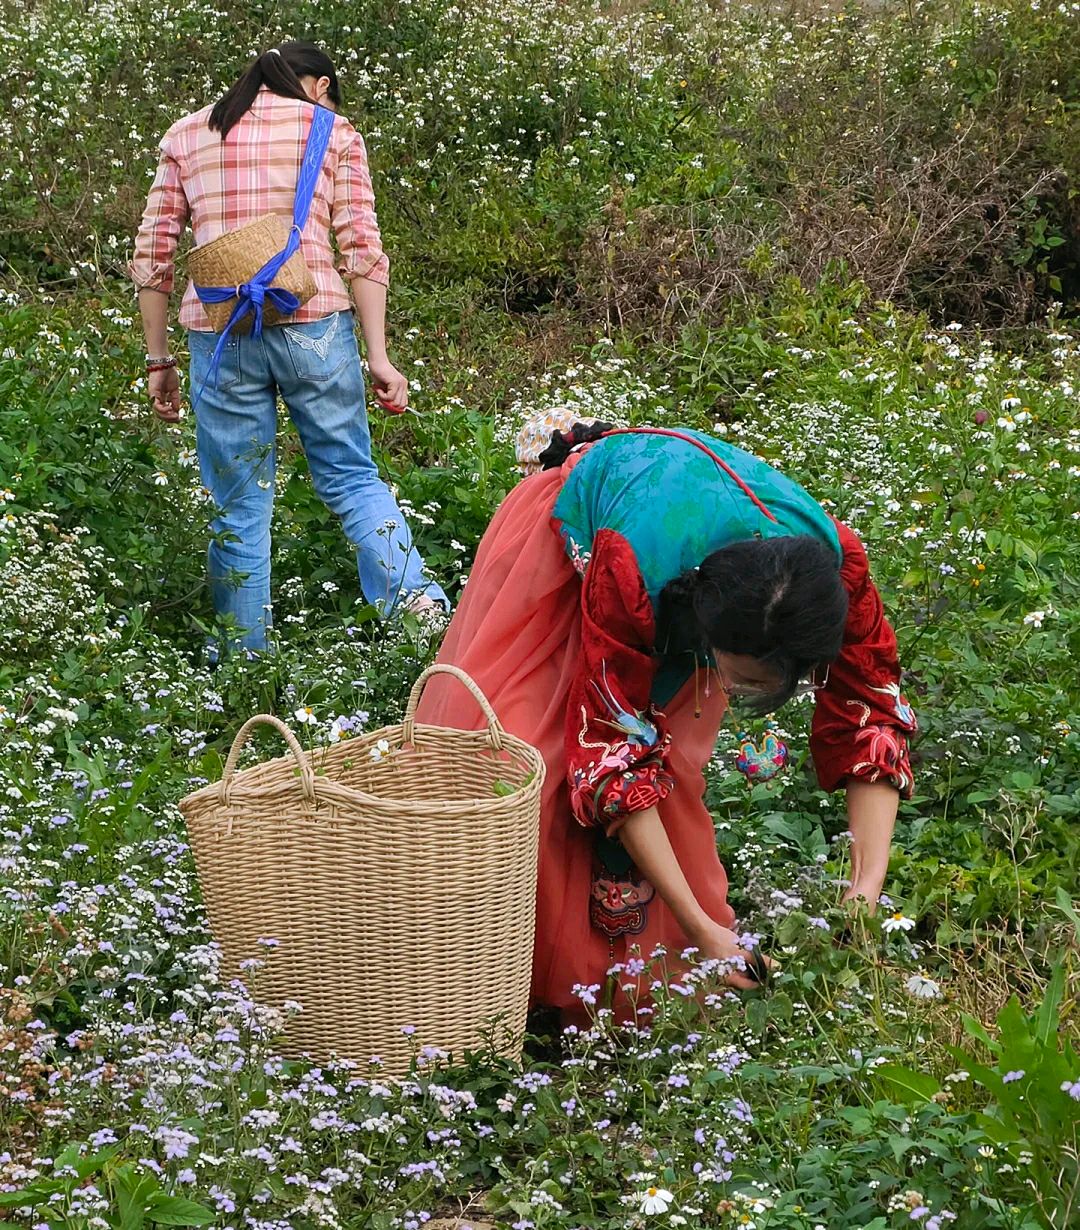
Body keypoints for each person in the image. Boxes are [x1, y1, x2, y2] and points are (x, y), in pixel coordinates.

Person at [416, 422, 916, 1020]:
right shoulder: (633, 567)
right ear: (708, 629)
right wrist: (701, 928)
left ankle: (626, 976)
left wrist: (864, 891)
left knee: (670, 768)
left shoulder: (837, 577)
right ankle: (497, 974)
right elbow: (612, 754)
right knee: (525, 755)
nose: (732, 692)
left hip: (684, 565)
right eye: (741, 676)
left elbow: (873, 713)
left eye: (760, 687)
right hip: (587, 543)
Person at [130, 41, 447, 652]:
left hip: (221, 335)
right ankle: (421, 623)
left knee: (238, 504)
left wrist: (158, 358)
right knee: (353, 480)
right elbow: (362, 247)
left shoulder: (187, 134)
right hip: (316, 325)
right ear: (313, 83)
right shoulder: (332, 130)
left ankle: (245, 667)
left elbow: (153, 259)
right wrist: (378, 356)